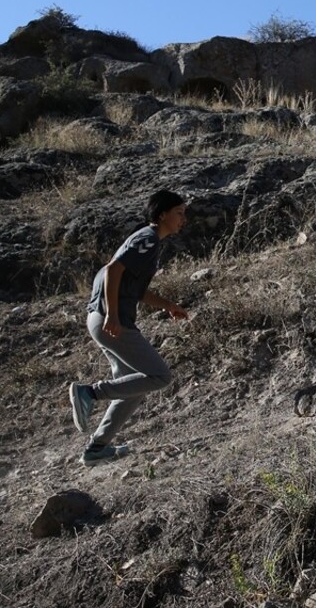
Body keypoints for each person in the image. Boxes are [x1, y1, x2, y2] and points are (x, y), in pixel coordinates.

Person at [68, 190, 189, 466]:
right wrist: (112, 314)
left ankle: (97, 448)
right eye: (179, 213)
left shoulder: (149, 242)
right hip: (111, 320)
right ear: (162, 215)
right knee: (160, 376)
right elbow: (113, 270)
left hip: (102, 319)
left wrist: (169, 305)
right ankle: (88, 392)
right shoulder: (147, 239)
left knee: (133, 387)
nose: (184, 219)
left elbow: (138, 291)